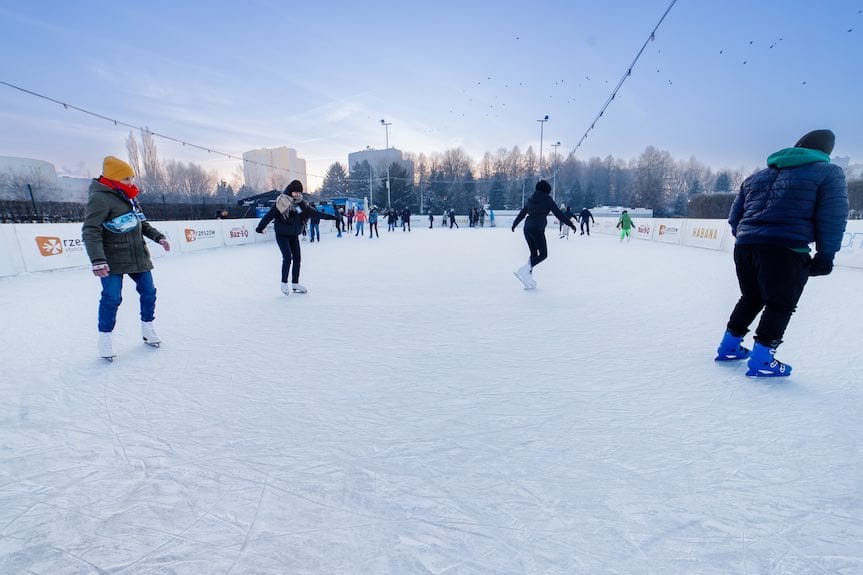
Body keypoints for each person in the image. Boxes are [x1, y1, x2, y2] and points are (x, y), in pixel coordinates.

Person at [715, 129, 848, 377]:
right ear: (825, 152)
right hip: (786, 249)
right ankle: (762, 359)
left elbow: (735, 219)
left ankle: (729, 347)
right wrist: (826, 255)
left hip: (745, 246)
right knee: (780, 304)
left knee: (751, 297)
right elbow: (832, 217)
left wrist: (750, 238)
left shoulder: (756, 177)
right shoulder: (828, 172)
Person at [82, 156, 171, 360]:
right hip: (111, 258)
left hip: (138, 255)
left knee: (149, 292)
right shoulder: (100, 198)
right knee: (112, 298)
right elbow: (91, 229)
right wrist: (97, 259)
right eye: (126, 179)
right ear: (112, 179)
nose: (131, 182)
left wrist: (159, 237)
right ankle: (105, 338)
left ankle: (148, 329)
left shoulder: (130, 196)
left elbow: (142, 224)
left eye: (131, 177)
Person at [255, 180, 338, 295]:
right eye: (295, 192)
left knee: (298, 258)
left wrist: (333, 217)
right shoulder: (282, 201)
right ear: (290, 190)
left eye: (299, 192)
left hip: (293, 235)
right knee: (288, 257)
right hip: (282, 234)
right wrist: (260, 227)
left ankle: (295, 283)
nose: (297, 194)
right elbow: (270, 215)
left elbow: (315, 213)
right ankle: (284, 283)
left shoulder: (302, 204)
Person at [511, 180, 577, 289]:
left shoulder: (530, 199)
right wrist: (570, 223)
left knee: (533, 253)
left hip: (527, 228)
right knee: (543, 254)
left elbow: (522, 213)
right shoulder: (547, 199)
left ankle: (528, 277)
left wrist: (515, 224)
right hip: (537, 228)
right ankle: (526, 269)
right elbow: (559, 214)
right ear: (547, 190)